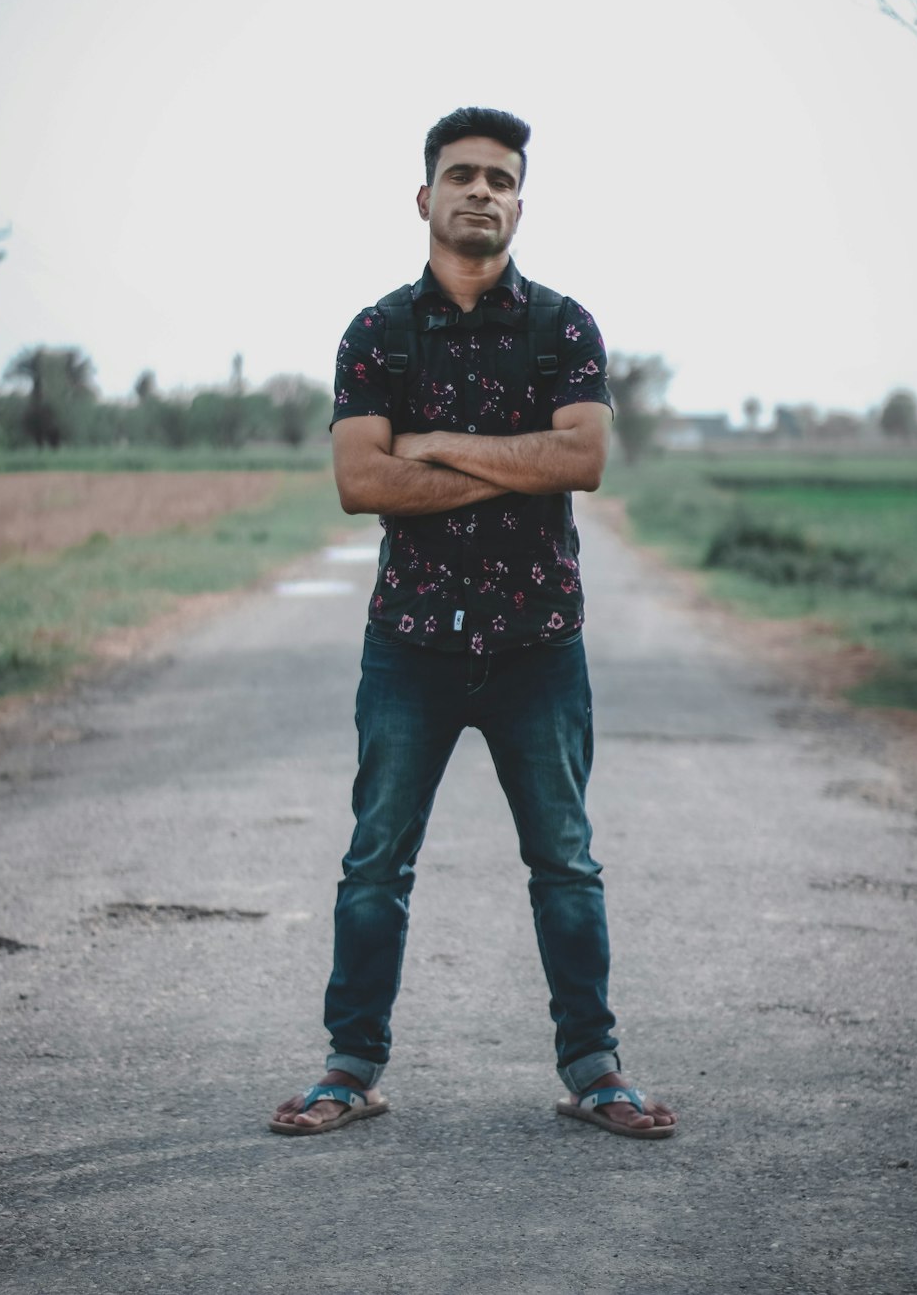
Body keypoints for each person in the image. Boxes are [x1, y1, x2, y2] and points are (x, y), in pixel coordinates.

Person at [269, 106, 676, 1140]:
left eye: (501, 178)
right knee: (376, 864)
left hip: (539, 643)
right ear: (425, 197)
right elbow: (361, 482)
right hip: (410, 645)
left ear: (520, 203)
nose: (482, 191)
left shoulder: (562, 328)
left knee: (566, 865)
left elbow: (580, 461)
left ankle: (595, 1071)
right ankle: (349, 1068)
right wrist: (509, 459)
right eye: (463, 175)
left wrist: (442, 442)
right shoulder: (376, 332)